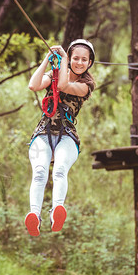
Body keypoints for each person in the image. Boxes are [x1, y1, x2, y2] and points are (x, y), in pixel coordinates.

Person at [25, 39, 96, 236]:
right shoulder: (54, 74)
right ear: (70, 58)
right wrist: (47, 59)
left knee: (59, 170)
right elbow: (34, 85)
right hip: (43, 133)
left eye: (84, 60)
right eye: (75, 58)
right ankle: (34, 215)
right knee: (39, 173)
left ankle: (57, 210)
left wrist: (64, 58)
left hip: (67, 136)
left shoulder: (86, 85)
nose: (79, 63)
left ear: (89, 63)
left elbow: (64, 85)